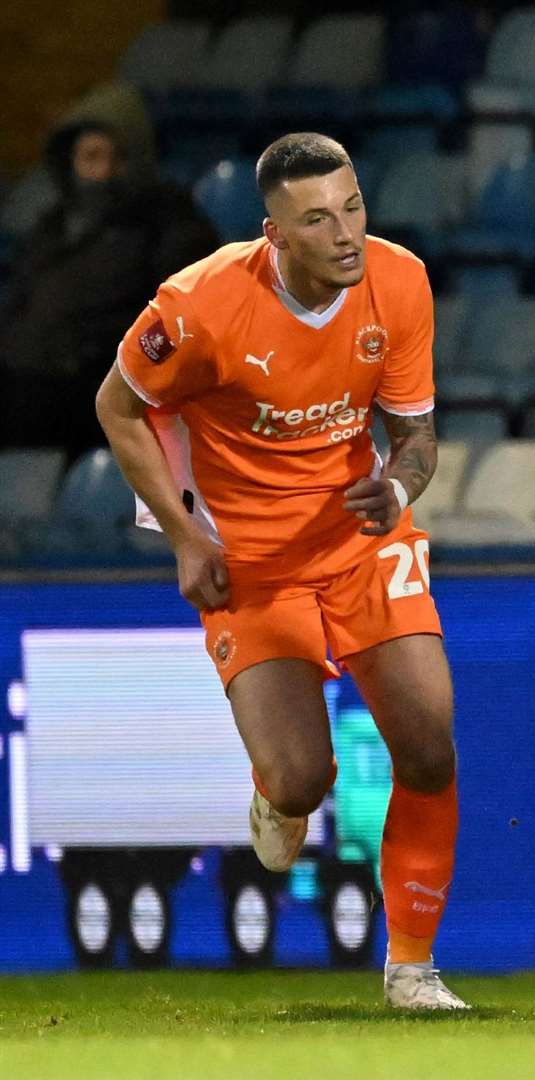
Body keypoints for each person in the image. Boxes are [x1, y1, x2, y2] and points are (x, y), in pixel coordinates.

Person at [95, 133, 465, 1010]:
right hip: (249, 564)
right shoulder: (200, 305)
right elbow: (118, 404)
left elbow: (415, 440)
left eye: (354, 207)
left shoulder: (398, 280)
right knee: (305, 778)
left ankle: (411, 970)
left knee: (427, 743)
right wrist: (187, 539)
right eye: (317, 219)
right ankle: (278, 792)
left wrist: (396, 486)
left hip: (356, 540)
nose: (345, 234)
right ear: (275, 234)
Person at [0, 83, 218, 459]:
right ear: (71, 161)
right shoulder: (51, 228)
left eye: (115, 159)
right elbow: (19, 303)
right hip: (28, 386)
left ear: (137, 161)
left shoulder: (172, 224)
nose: (101, 173)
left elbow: (180, 323)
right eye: (91, 157)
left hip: (103, 394)